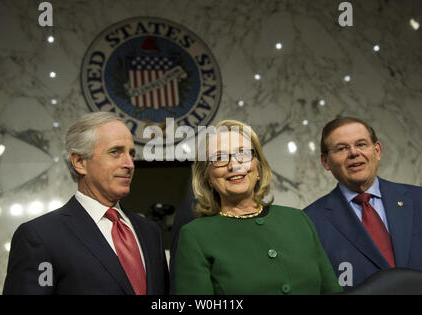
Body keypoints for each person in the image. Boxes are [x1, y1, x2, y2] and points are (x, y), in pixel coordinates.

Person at [3, 112, 169, 294]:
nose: (130, 164)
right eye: (115, 152)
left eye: (131, 154)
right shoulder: (40, 237)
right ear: (80, 162)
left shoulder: (150, 232)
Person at [173, 120, 341, 294]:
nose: (234, 165)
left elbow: (331, 290)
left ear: (258, 166)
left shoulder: (299, 220)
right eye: (220, 158)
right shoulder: (195, 235)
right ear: (207, 176)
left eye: (243, 154)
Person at [304, 117, 422, 289]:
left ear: (378, 151)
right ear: (325, 161)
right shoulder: (309, 222)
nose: (353, 153)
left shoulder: (418, 200)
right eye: (342, 148)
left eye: (361, 144)